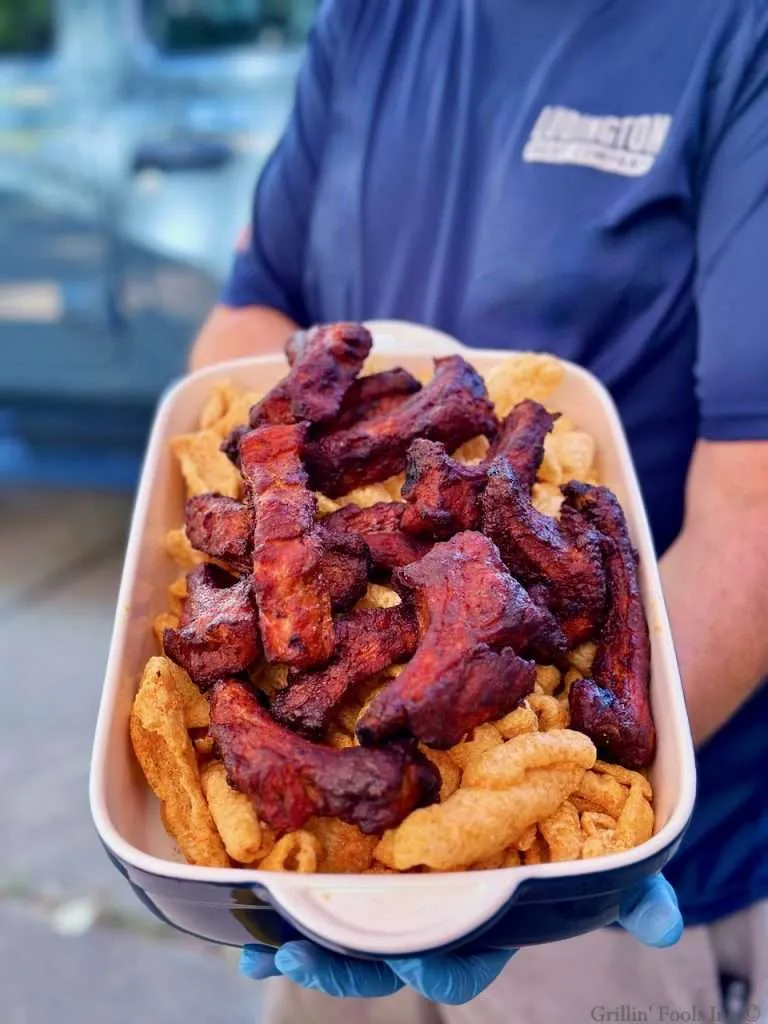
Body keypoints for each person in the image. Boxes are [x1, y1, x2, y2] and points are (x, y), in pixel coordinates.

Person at [189, 1, 768, 1021]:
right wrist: (353, 856)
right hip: (315, 882)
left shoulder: (735, 36)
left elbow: (755, 510)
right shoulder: (366, 20)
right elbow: (247, 317)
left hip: (611, 873)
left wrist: (542, 840)